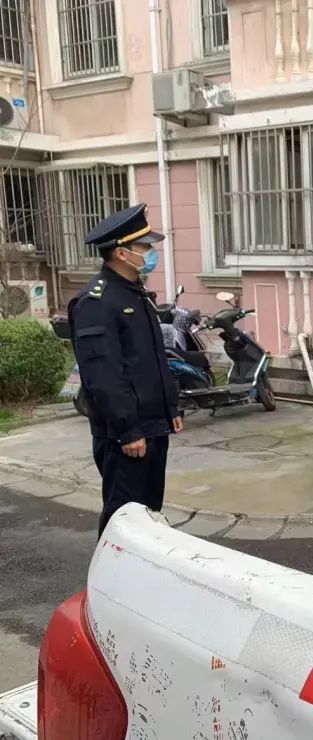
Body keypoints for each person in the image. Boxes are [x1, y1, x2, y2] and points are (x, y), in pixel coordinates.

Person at [68, 203, 183, 538]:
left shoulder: (135, 294)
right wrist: (128, 429)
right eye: (144, 247)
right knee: (123, 521)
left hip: (152, 425)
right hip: (126, 435)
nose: (150, 253)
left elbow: (152, 358)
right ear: (121, 253)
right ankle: (109, 571)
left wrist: (171, 407)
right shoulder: (97, 301)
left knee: (149, 516)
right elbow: (103, 375)